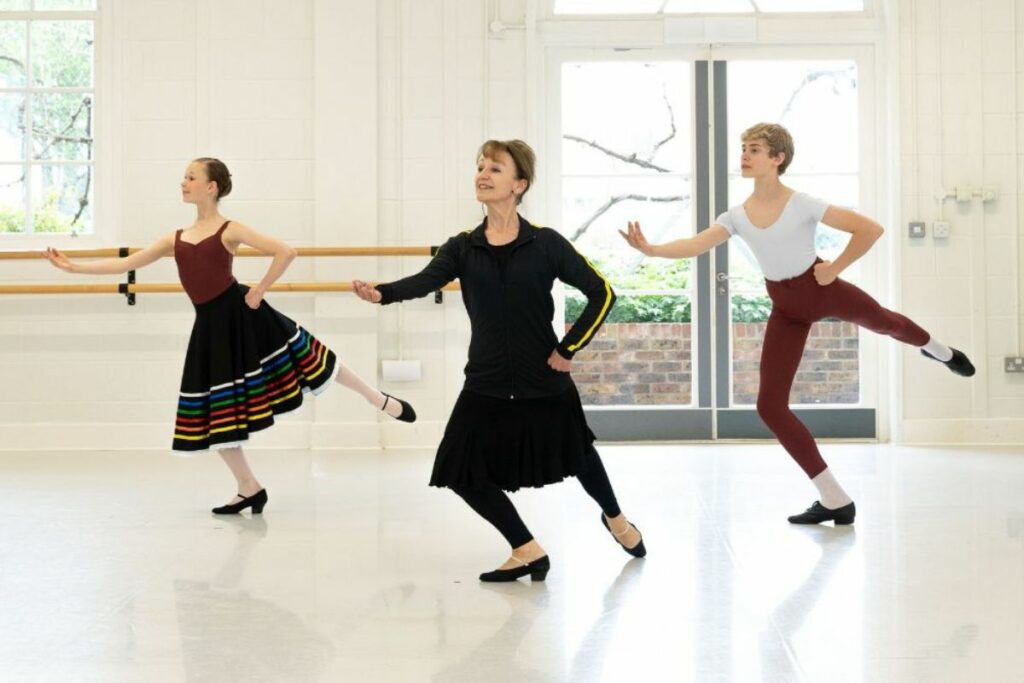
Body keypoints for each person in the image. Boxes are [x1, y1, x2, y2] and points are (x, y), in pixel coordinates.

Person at [620, 122, 974, 525]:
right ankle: (835, 498)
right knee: (769, 406)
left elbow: (869, 229)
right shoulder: (736, 215)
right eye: (743, 148)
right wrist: (652, 249)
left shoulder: (802, 203)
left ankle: (941, 351)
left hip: (821, 287)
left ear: (777, 158)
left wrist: (836, 268)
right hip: (786, 307)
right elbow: (697, 244)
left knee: (885, 322)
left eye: (754, 149)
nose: (745, 155)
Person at [44, 157, 416, 514]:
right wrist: (72, 267)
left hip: (243, 315)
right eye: (183, 176)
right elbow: (126, 263)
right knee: (214, 413)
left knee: (311, 357)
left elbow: (285, 251)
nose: (183, 182)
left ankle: (378, 399)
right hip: (209, 329)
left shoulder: (229, 229)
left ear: (211, 186)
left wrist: (259, 291)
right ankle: (249, 488)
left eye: (191, 176)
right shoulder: (175, 239)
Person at [352, 140, 645, 582]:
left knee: (579, 456)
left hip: (543, 376)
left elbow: (602, 293)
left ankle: (616, 519)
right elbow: (426, 278)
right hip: (486, 379)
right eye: (480, 167)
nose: (482, 174)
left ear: (519, 184)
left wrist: (567, 350)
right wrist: (383, 293)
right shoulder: (463, 247)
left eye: (495, 168)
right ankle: (527, 548)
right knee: (458, 469)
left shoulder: (546, 244)